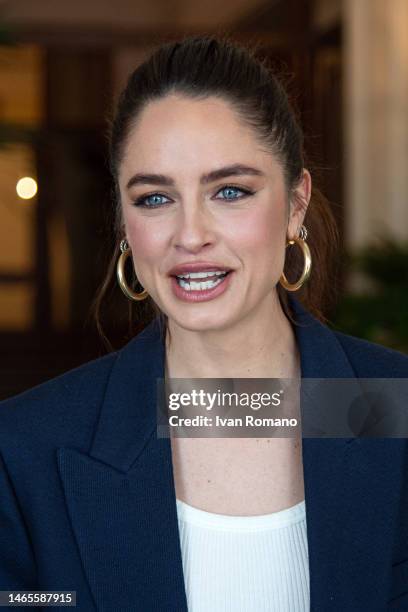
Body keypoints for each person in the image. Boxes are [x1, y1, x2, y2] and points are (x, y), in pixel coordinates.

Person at [0, 35, 407, 612]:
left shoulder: (396, 410)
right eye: (154, 199)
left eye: (230, 191)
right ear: (123, 222)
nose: (190, 235)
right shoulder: (25, 451)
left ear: (295, 204)